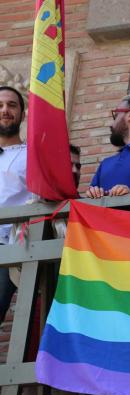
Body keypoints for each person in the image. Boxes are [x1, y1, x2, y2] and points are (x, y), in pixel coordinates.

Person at [0, 86, 33, 325]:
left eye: (12, 105)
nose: (5, 110)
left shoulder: (33, 154)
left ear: (22, 114)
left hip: (6, 248)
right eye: (0, 105)